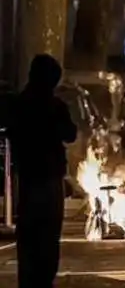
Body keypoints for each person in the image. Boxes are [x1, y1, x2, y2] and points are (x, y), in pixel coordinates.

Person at [2, 54, 77, 288]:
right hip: (49, 179)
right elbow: (70, 134)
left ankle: (29, 280)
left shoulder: (19, 104)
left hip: (27, 178)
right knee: (48, 235)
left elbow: (11, 131)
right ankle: (44, 280)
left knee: (29, 237)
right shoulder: (55, 106)